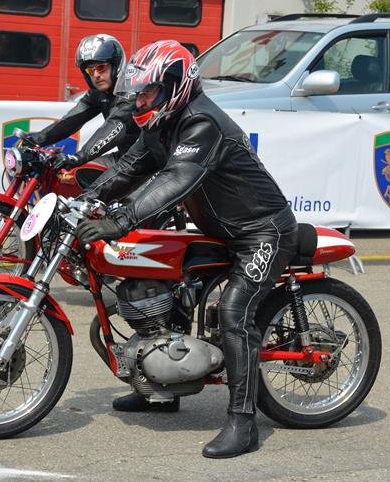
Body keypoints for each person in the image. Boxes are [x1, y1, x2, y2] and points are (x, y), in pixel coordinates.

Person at [75, 40, 299, 459]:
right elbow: (128, 167)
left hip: (262, 231)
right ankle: (159, 389)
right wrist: (84, 199)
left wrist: (119, 221)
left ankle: (243, 422)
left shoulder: (202, 122)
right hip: (219, 230)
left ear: (175, 85)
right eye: (137, 92)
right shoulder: (161, 122)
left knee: (234, 312)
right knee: (157, 283)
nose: (140, 100)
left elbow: (176, 179)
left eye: (148, 91)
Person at [27, 33, 140, 172]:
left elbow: (114, 125)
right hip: (126, 157)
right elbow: (71, 120)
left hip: (150, 164)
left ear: (116, 65)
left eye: (101, 68)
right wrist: (34, 140)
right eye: (90, 70)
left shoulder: (131, 90)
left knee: (88, 178)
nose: (96, 75)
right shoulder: (98, 93)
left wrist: (77, 158)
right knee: (74, 174)